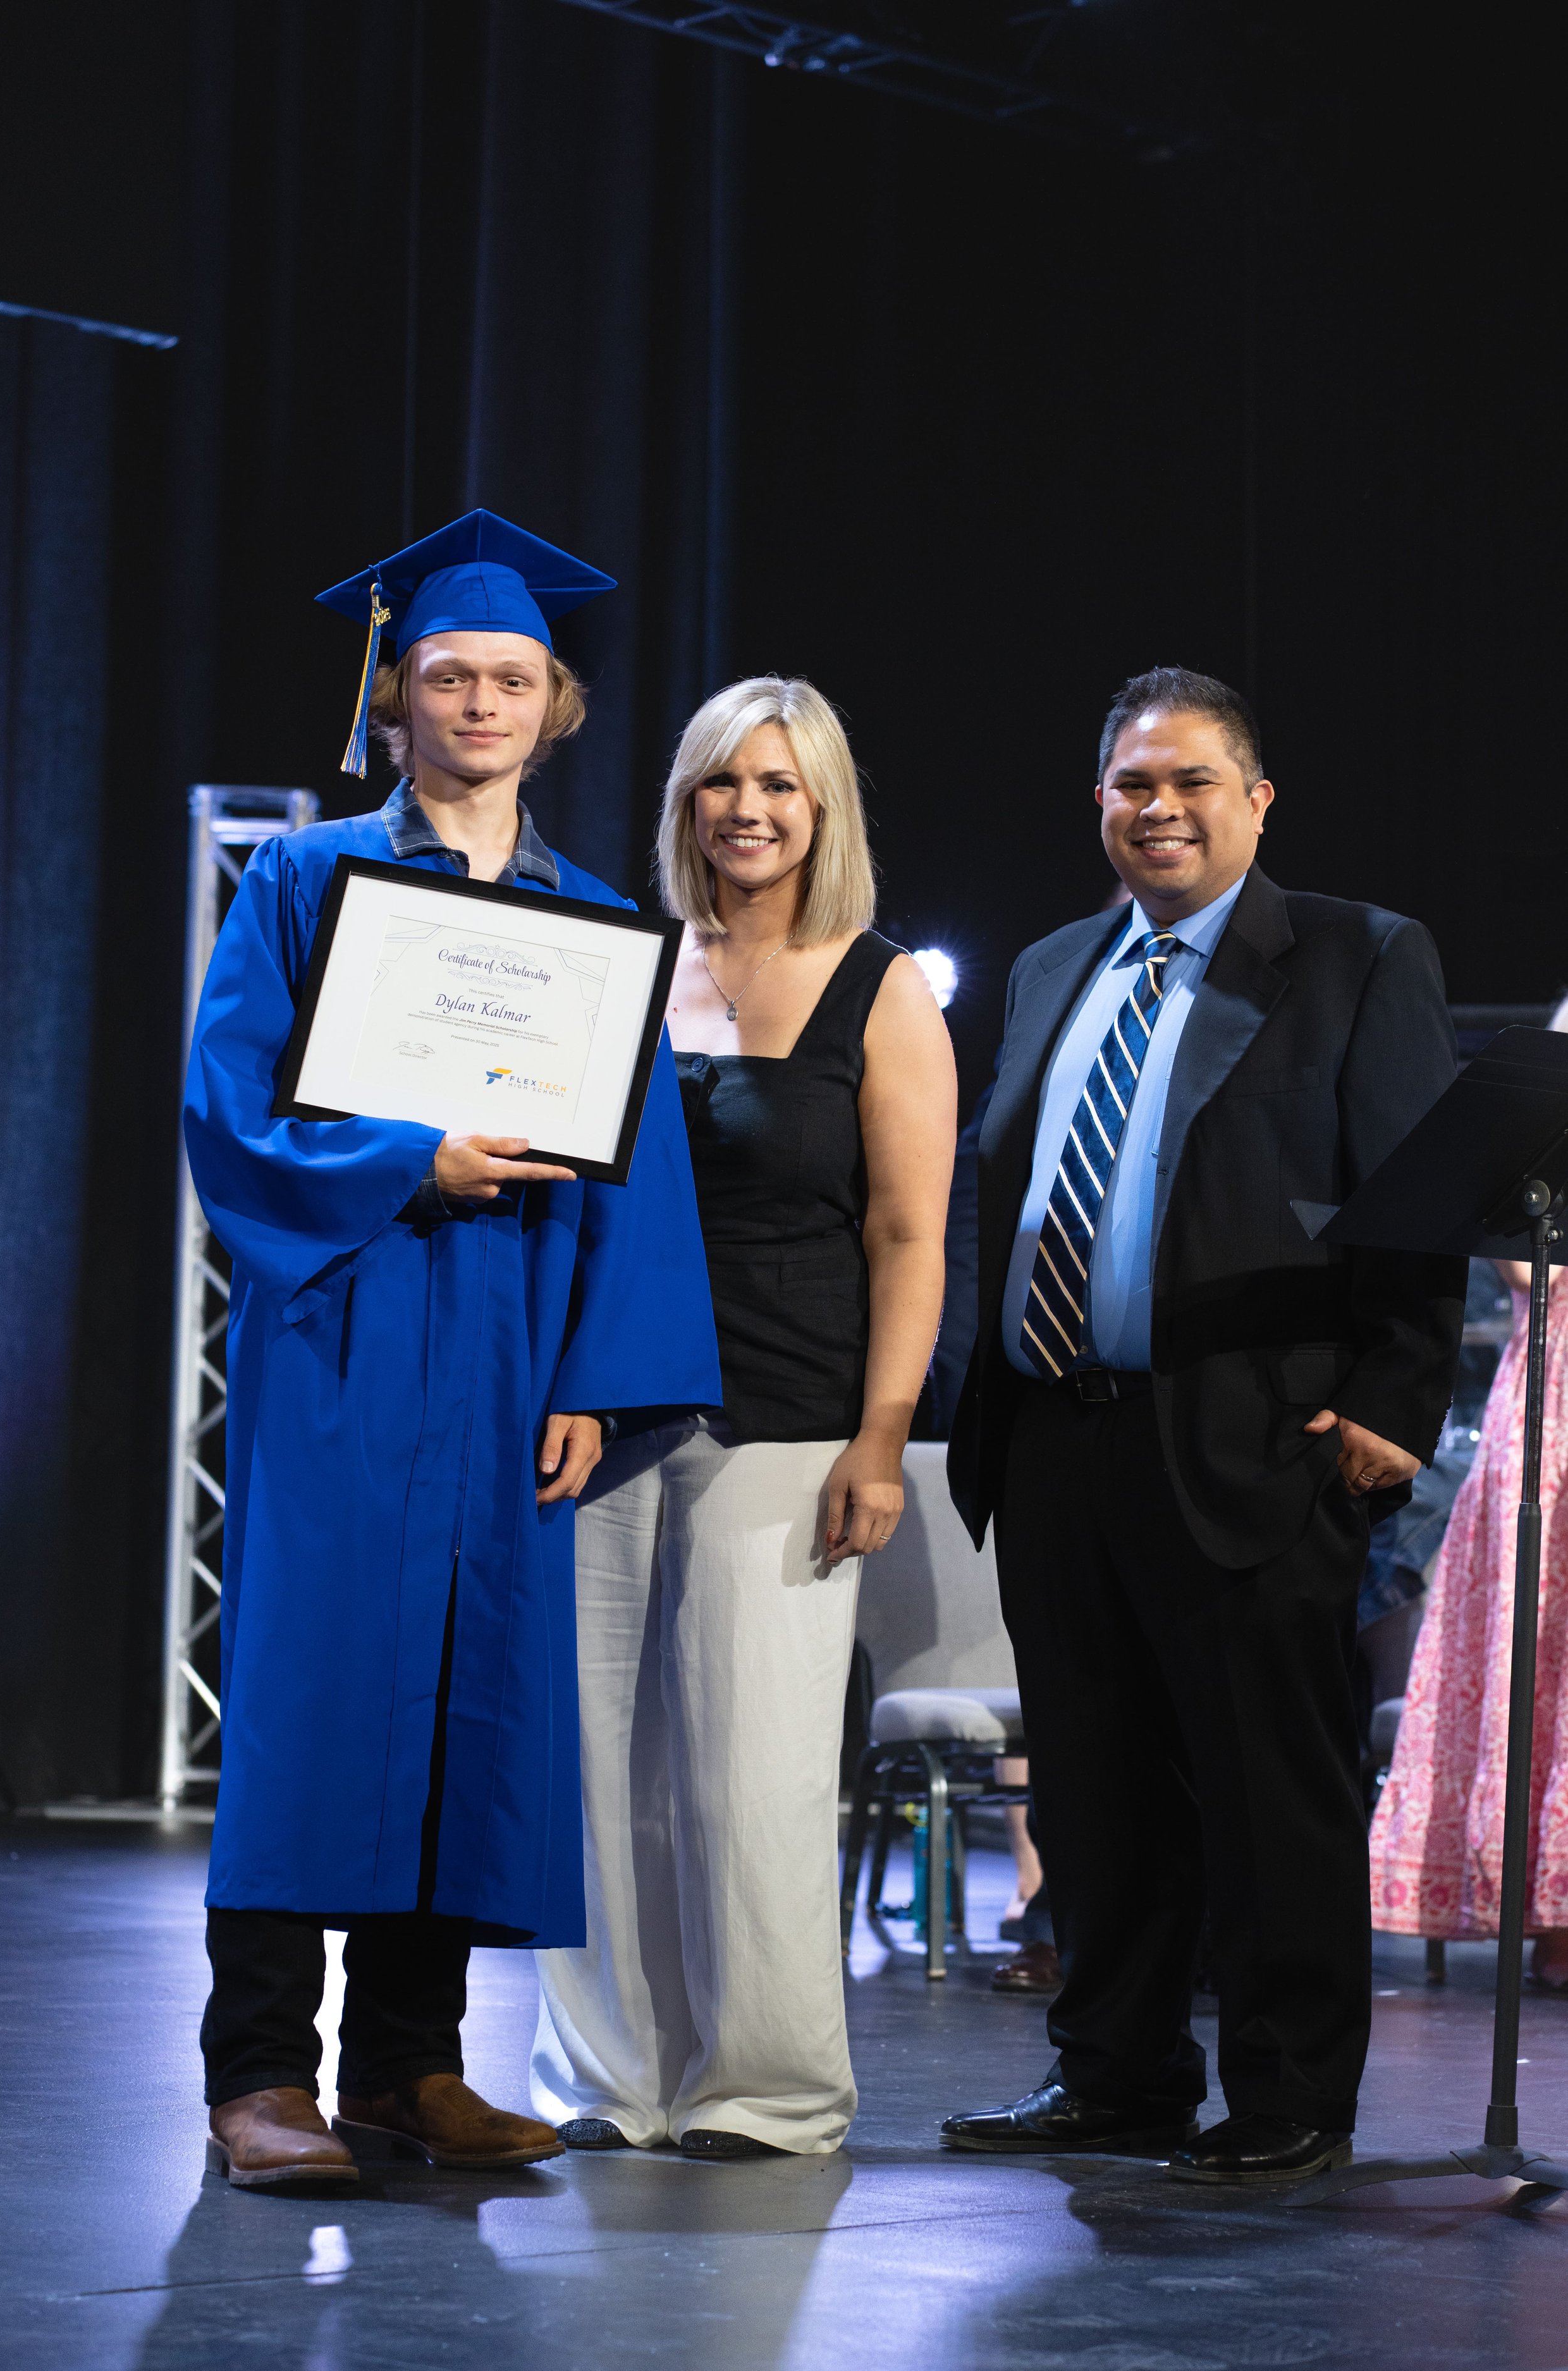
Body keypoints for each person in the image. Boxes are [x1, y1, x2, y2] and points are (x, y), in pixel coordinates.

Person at [187, 510, 721, 2190]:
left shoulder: (592, 917)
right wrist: (404, 1157)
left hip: (507, 1345)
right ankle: (261, 2073)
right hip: (346, 1325)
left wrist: (595, 1373)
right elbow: (229, 1101)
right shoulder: (305, 877)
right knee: (308, 1689)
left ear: (554, 703)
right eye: (445, 675)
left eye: (509, 677)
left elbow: (638, 1170)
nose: (477, 701)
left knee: (464, 1696)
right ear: (396, 698)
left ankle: (409, 2067)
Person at [941, 666, 1466, 2184]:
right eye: (1127, 786)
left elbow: (1415, 1195)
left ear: (1255, 800)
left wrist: (1386, 1408)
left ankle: (1292, 2093)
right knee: (1096, 1795)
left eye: (1186, 783)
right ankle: (1115, 2077)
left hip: (1254, 1435)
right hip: (1056, 1437)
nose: (1155, 810)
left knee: (1263, 1792)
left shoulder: (1356, 957)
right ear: (1095, 804)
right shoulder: (1048, 968)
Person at [530, 675, 957, 2158]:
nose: (748, 810)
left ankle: (769, 2093)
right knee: (592, 1764)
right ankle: (605, 2080)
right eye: (722, 783)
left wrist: (882, 1439)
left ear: (820, 807)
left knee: (753, 1771)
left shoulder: (881, 985)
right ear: (684, 805)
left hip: (789, 1425)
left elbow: (909, 1237)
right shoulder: (629, 964)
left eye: (779, 785)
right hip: (598, 1416)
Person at [1369, 998, 1568, 1982]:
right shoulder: (1554, 1054)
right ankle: (1552, 1903)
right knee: (1547, 1619)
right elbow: (1500, 1224)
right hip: (1558, 1379)